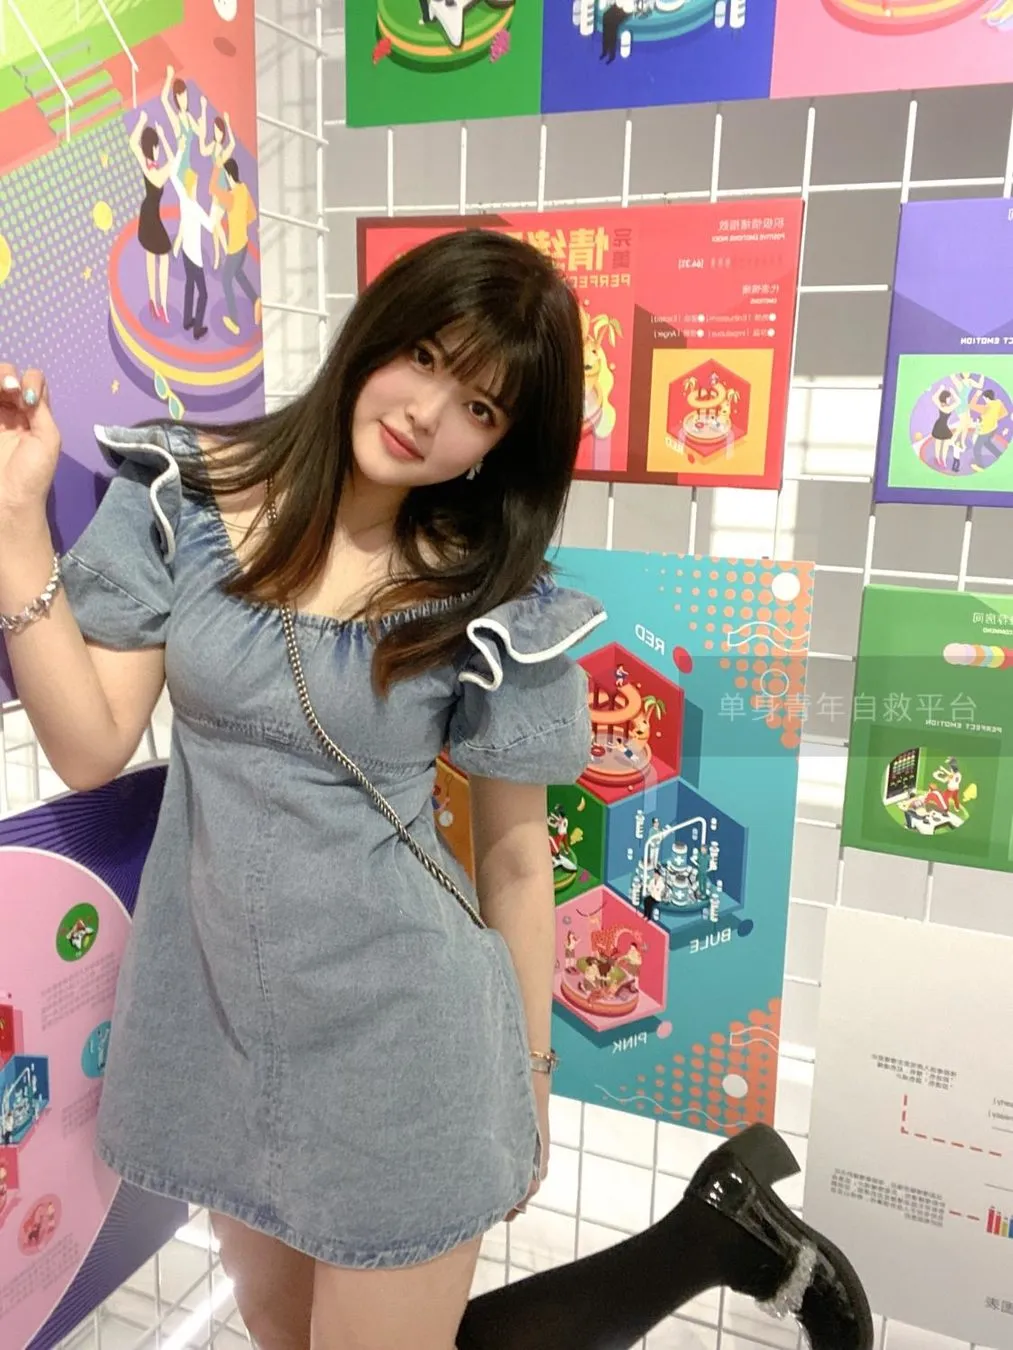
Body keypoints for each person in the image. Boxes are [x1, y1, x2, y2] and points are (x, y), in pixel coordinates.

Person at [0, 230, 871, 1350]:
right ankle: (708, 1239)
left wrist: (531, 1074)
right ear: (376, 332)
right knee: (279, 1332)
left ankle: (702, 1242)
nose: (426, 412)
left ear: (496, 449)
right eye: (423, 355)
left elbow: (514, 860)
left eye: (480, 407)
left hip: (404, 1040)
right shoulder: (188, 493)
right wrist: (16, 522)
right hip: (216, 1029)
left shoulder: (487, 594)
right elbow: (90, 744)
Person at [127, 112, 176, 325]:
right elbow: (173, 162)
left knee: (150, 256)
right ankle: (162, 304)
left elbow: (133, 143)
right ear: (154, 148)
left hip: (147, 213)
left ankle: (153, 302)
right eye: (157, 147)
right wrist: (164, 138)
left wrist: (141, 121)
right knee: (163, 256)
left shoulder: (146, 163)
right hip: (151, 217)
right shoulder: (156, 173)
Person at [171, 168, 224, 341]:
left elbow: (174, 178)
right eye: (196, 184)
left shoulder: (184, 201)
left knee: (189, 285)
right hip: (195, 258)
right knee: (204, 294)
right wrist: (216, 208)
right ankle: (197, 328)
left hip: (186, 253)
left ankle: (187, 320)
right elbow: (210, 225)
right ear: (192, 186)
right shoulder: (196, 208)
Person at [210, 157, 261, 336]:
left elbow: (212, 189)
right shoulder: (243, 189)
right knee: (238, 273)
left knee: (226, 281)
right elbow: (252, 215)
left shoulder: (230, 197)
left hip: (235, 247)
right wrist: (240, 222)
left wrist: (217, 168)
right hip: (244, 243)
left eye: (225, 175)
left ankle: (234, 321)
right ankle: (256, 300)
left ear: (228, 175)